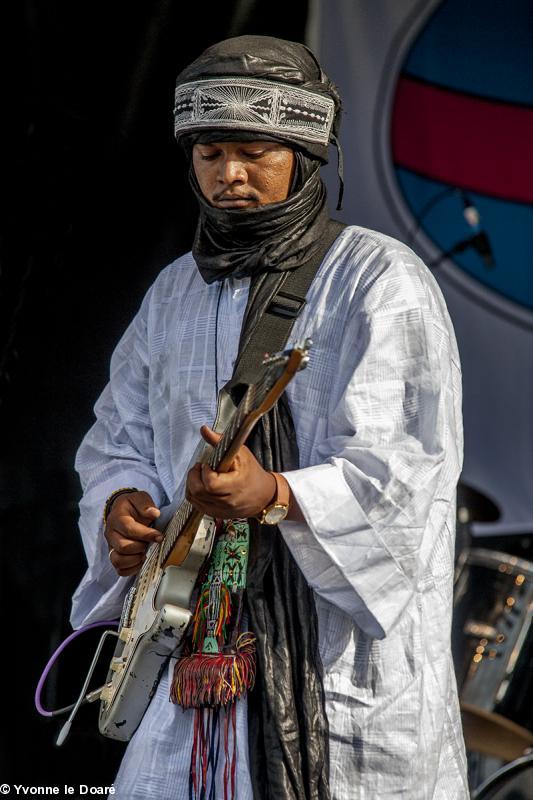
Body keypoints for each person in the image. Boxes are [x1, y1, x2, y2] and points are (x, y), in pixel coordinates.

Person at [71, 35, 469, 800]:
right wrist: (121, 507)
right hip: (197, 659)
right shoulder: (173, 293)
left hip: (340, 668)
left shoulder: (379, 280)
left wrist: (278, 495)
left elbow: (410, 471)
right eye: (210, 152)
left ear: (306, 152)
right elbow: (116, 437)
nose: (229, 174)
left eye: (254, 151)